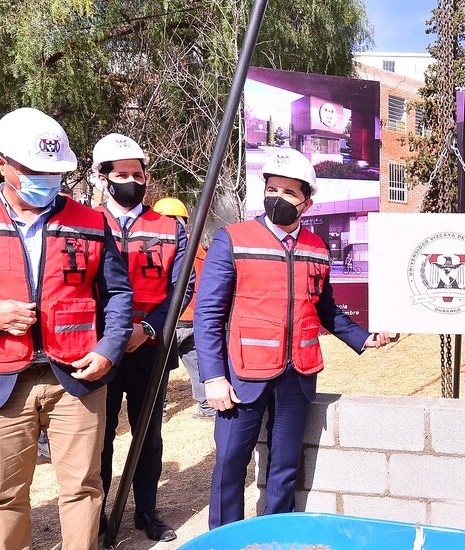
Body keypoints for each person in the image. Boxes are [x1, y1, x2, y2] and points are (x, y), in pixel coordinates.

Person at [0, 107, 134, 550]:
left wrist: (110, 348)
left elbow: (117, 294)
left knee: (83, 489)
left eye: (55, 172)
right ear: (1, 161)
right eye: (34, 169)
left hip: (77, 377)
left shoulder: (93, 223)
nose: (46, 180)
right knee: (2, 496)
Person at [195, 148, 391, 529]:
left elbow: (326, 307)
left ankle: (275, 534)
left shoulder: (317, 248)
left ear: (307, 202)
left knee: (284, 466)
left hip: (297, 375)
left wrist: (363, 339)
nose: (278, 199)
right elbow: (208, 314)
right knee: (231, 462)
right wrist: (213, 376)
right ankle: (225, 539)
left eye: (289, 193)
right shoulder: (232, 239)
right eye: (273, 189)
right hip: (242, 375)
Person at [91, 134, 191, 542]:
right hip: (99, 351)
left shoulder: (170, 227)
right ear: (102, 178)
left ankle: (146, 511)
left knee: (147, 436)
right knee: (98, 439)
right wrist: (114, 336)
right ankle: (96, 518)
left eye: (137, 173)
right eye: (121, 174)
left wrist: (147, 327)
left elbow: (182, 284)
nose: (131, 180)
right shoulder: (81, 222)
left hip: (151, 347)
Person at [152, 196, 214, 419]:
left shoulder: (161, 247)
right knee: (198, 364)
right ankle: (208, 406)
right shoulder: (198, 245)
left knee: (158, 368)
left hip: (171, 318)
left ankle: (159, 410)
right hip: (195, 317)